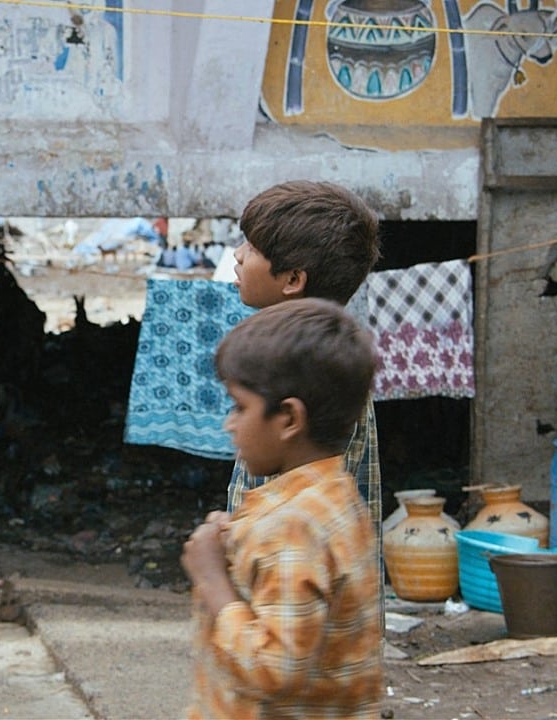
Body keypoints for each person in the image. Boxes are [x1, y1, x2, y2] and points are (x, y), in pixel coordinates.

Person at [181, 298, 383, 719]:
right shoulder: (334, 497)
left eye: (239, 407)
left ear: (289, 418)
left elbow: (275, 668)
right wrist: (236, 537)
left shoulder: (294, 525)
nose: (229, 424)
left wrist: (213, 578)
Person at [224, 180, 383, 598]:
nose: (238, 255)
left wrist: (216, 582)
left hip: (294, 600)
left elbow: (294, 517)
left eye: (252, 249)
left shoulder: (309, 371)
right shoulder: (312, 356)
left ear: (292, 278)